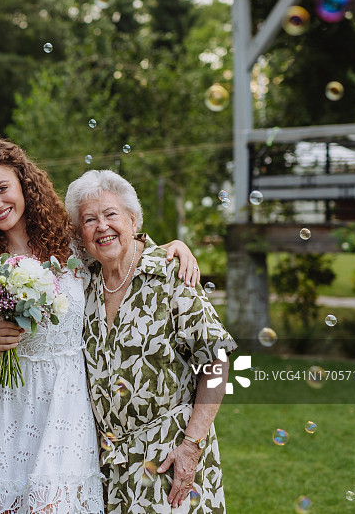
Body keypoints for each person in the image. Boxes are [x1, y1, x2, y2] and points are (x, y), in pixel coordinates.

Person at [0, 138, 202, 514]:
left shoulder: (69, 243)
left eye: (2, 188)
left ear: (24, 183)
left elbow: (118, 244)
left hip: (67, 400)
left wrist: (171, 246)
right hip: (3, 404)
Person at [65, 170, 237, 514]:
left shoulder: (170, 273)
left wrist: (191, 446)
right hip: (108, 464)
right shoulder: (83, 283)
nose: (102, 226)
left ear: (133, 220)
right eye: (89, 219)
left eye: (111, 214)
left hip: (170, 455)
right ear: (80, 232)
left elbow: (216, 360)